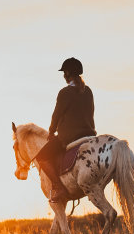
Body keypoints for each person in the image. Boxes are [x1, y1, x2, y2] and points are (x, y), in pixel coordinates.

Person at [35, 57, 97, 203]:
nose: (63, 75)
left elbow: (56, 115)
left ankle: (58, 187)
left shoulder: (64, 92)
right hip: (89, 134)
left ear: (68, 73)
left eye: (64, 72)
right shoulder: (88, 91)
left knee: (41, 157)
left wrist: (51, 132)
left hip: (70, 136)